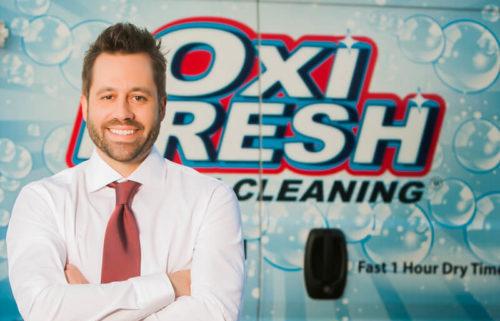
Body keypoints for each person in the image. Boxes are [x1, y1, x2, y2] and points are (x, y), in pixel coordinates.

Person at [6, 22, 245, 321]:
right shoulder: (42, 202)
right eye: (108, 96)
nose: (123, 112)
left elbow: (215, 315)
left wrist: (84, 304)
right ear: (85, 106)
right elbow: (44, 311)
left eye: (138, 97)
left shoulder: (211, 200)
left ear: (162, 106)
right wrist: (169, 285)